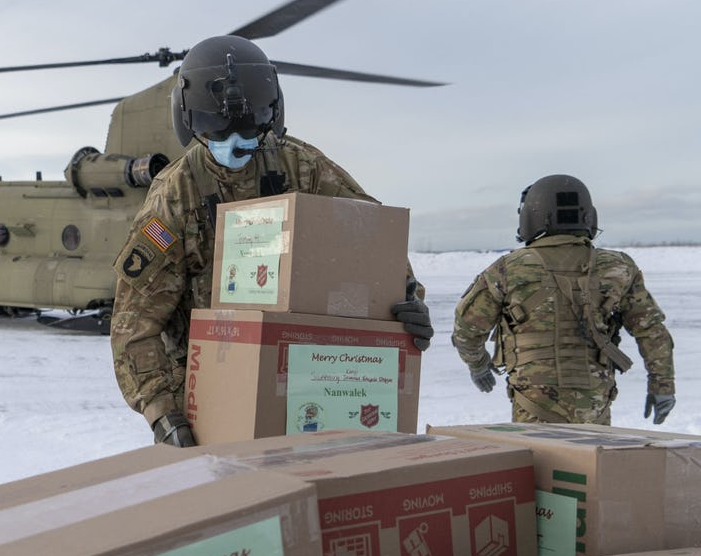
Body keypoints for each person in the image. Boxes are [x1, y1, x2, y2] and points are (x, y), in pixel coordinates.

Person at [109, 35, 432, 447]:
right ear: (188, 121)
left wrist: (407, 298)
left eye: (250, 125)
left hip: (307, 380)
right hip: (211, 391)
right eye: (216, 127)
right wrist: (164, 415)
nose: (235, 141)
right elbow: (134, 325)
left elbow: (369, 238)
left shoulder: (302, 168)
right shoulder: (174, 198)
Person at [451, 174, 675, 425]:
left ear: (532, 215)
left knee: (539, 462)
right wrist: (663, 385)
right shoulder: (618, 267)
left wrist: (478, 364)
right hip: (594, 404)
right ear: (588, 216)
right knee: (590, 461)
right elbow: (651, 330)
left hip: (534, 404)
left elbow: (467, 328)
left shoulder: (509, 268)